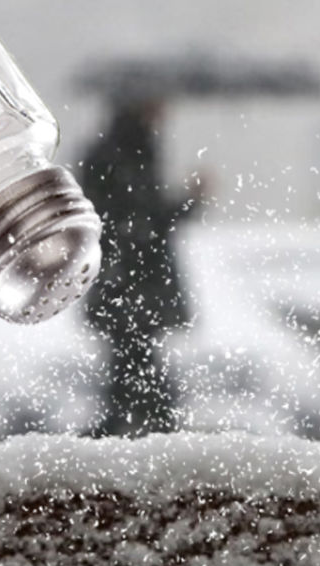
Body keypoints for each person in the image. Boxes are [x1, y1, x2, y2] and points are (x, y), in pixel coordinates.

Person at [79, 100, 203, 437]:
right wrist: (188, 202)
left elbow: (145, 218)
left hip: (129, 284)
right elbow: (140, 220)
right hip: (130, 284)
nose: (164, 113)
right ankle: (154, 432)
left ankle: (135, 432)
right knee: (135, 366)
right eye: (156, 104)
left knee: (131, 367)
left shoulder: (134, 151)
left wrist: (188, 202)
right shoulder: (120, 156)